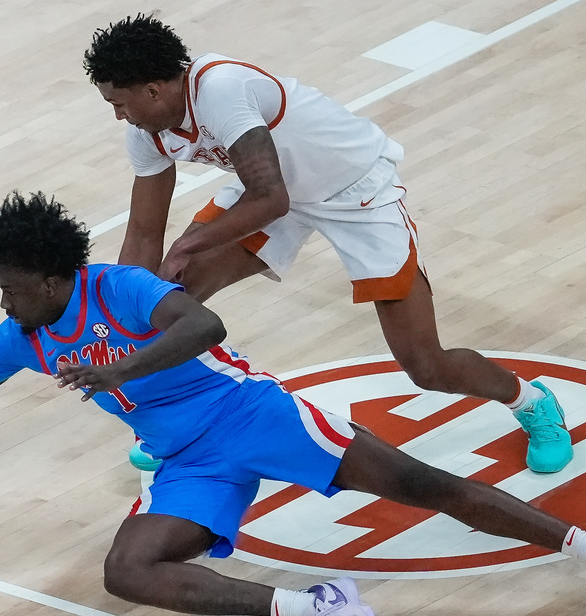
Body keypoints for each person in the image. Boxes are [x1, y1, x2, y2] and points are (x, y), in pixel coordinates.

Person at [0, 191, 586, 616]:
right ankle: (314, 607)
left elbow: (204, 329)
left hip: (250, 413)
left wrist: (118, 370)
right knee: (126, 570)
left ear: (57, 275)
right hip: (186, 460)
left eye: (13, 284)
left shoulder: (120, 289)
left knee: (422, 484)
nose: (3, 299)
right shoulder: (21, 337)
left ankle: (574, 547)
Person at [82, 15, 573, 474]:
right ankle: (180, 426)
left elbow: (270, 198)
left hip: (354, 193)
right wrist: (127, 304)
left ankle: (530, 401)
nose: (119, 117)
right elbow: (145, 232)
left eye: (119, 104)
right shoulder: (146, 132)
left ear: (153, 88)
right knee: (169, 302)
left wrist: (188, 244)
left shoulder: (220, 89)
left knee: (426, 365)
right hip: (271, 191)